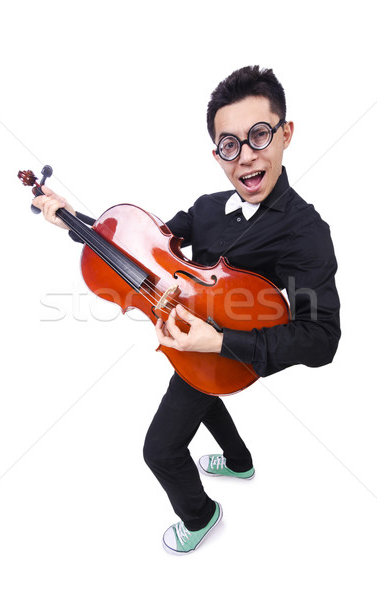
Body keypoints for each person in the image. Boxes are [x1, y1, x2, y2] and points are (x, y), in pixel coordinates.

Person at [33, 65, 341, 555]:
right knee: (200, 383)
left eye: (259, 135)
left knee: (159, 449)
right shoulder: (206, 207)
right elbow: (139, 247)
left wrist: (216, 342)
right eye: (229, 144)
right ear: (217, 152)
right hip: (189, 338)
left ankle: (200, 514)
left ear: (286, 134)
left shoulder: (306, 233)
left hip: (238, 347)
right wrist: (73, 221)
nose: (245, 156)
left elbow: (321, 339)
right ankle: (239, 461)